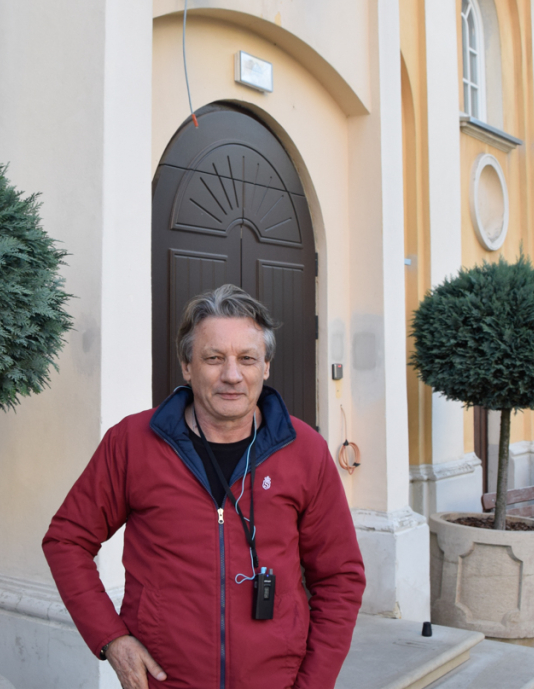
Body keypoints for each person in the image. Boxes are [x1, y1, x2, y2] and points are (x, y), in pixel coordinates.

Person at [43, 285, 365, 689]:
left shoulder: (305, 451)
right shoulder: (132, 443)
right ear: (187, 366)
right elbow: (66, 540)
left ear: (266, 367)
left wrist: (313, 684)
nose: (232, 375)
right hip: (166, 681)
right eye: (214, 358)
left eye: (247, 359)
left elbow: (340, 577)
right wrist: (111, 639)